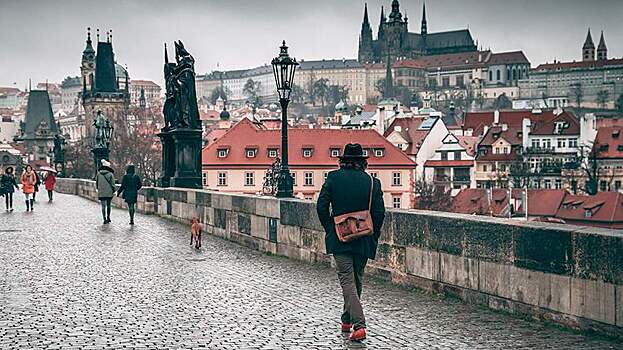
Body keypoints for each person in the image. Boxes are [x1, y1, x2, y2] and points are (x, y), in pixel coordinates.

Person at [316, 143, 385, 342]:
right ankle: (346, 320)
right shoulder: (372, 182)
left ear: (343, 160)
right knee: (356, 280)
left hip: (340, 238)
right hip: (364, 238)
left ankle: (359, 325)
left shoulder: (333, 178)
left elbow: (321, 207)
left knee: (348, 281)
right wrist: (373, 235)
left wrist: (331, 227)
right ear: (362, 161)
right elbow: (379, 213)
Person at [95, 159, 116, 224]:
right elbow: (113, 184)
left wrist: (98, 189)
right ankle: (108, 217)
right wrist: (114, 191)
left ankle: (104, 219)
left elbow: (97, 183)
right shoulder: (110, 174)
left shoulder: (98, 174)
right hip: (109, 192)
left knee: (103, 206)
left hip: (101, 192)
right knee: (109, 205)